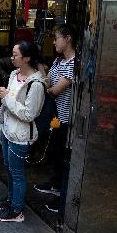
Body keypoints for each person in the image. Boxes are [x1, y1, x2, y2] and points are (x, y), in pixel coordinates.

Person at [0, 41, 46, 223]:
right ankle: (11, 200)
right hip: (8, 130)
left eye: (15, 55)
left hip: (20, 135)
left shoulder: (36, 84)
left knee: (17, 173)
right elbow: (11, 102)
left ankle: (17, 211)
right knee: (9, 168)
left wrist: (6, 98)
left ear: (27, 58)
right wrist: (5, 94)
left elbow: (29, 114)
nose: (12, 57)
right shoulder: (14, 74)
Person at [35, 24, 77, 214]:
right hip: (55, 117)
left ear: (68, 39)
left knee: (63, 155)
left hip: (66, 119)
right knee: (54, 153)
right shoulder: (59, 61)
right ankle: (55, 184)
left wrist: (46, 85)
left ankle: (62, 195)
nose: (54, 42)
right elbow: (48, 83)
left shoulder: (73, 64)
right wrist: (40, 68)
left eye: (57, 38)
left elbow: (53, 90)